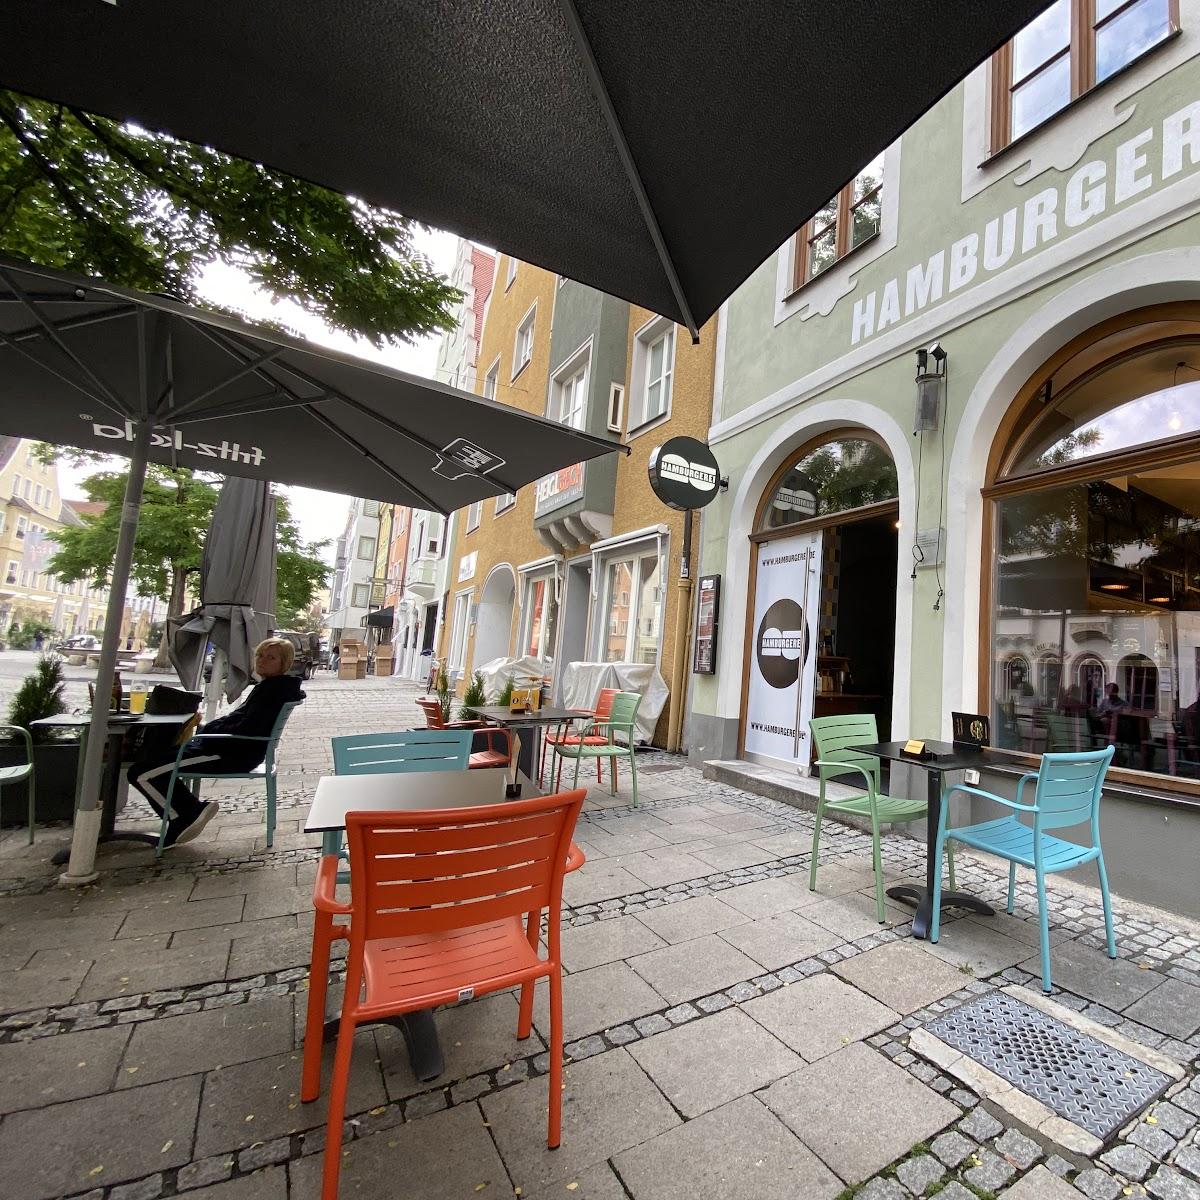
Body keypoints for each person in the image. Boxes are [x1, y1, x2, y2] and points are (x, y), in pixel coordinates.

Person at [127, 637, 305, 847]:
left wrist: (209, 731)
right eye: (259, 655)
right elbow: (239, 721)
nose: (262, 660)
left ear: (283, 663)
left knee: (141, 772)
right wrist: (208, 728)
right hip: (229, 748)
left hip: (229, 753)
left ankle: (186, 815)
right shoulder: (272, 687)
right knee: (155, 759)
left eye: (271, 657)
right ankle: (188, 810)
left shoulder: (272, 691)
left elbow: (247, 728)